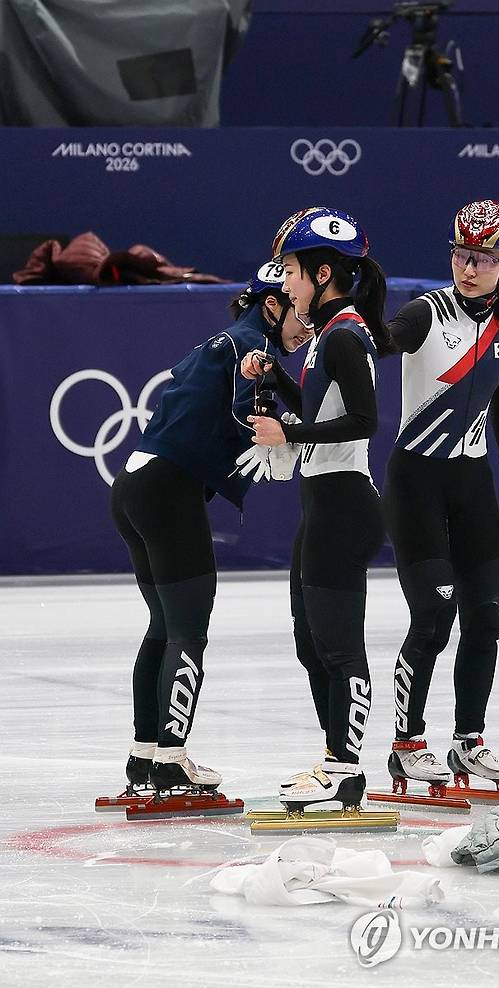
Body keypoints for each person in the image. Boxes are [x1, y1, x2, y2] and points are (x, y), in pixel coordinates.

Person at [109, 262, 313, 799]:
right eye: (299, 308)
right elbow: (253, 403)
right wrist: (280, 435)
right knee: (188, 631)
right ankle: (173, 762)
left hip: (133, 484)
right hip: (169, 493)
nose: (307, 323)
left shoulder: (226, 339)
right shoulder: (255, 349)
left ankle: (145, 756)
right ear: (273, 304)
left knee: (163, 626)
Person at [242, 206, 395, 812]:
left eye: (291, 271)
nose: (284, 283)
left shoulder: (347, 334)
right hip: (322, 504)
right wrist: (275, 377)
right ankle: (333, 757)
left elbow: (362, 421)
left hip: (345, 505)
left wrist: (291, 435)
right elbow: (320, 406)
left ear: (323, 272)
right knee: (310, 642)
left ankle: (347, 769)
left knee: (338, 645)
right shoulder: (325, 337)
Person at [383, 199, 499, 793]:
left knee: (485, 618)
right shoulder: (426, 311)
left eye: (482, 258)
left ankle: (468, 741)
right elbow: (385, 340)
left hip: (472, 486)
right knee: (433, 618)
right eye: (460, 255)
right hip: (416, 483)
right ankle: (406, 744)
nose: (468, 268)